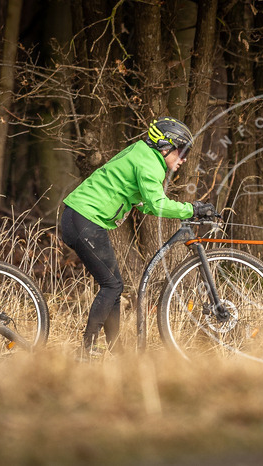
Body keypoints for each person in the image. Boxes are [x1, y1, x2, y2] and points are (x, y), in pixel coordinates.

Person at [60, 116, 216, 358]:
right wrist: (192, 209)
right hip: (84, 219)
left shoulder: (142, 154)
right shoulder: (149, 163)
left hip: (81, 218)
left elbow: (146, 203)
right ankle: (86, 350)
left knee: (113, 285)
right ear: (165, 147)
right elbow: (158, 204)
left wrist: (177, 208)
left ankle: (116, 352)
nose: (184, 159)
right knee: (112, 285)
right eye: (182, 151)